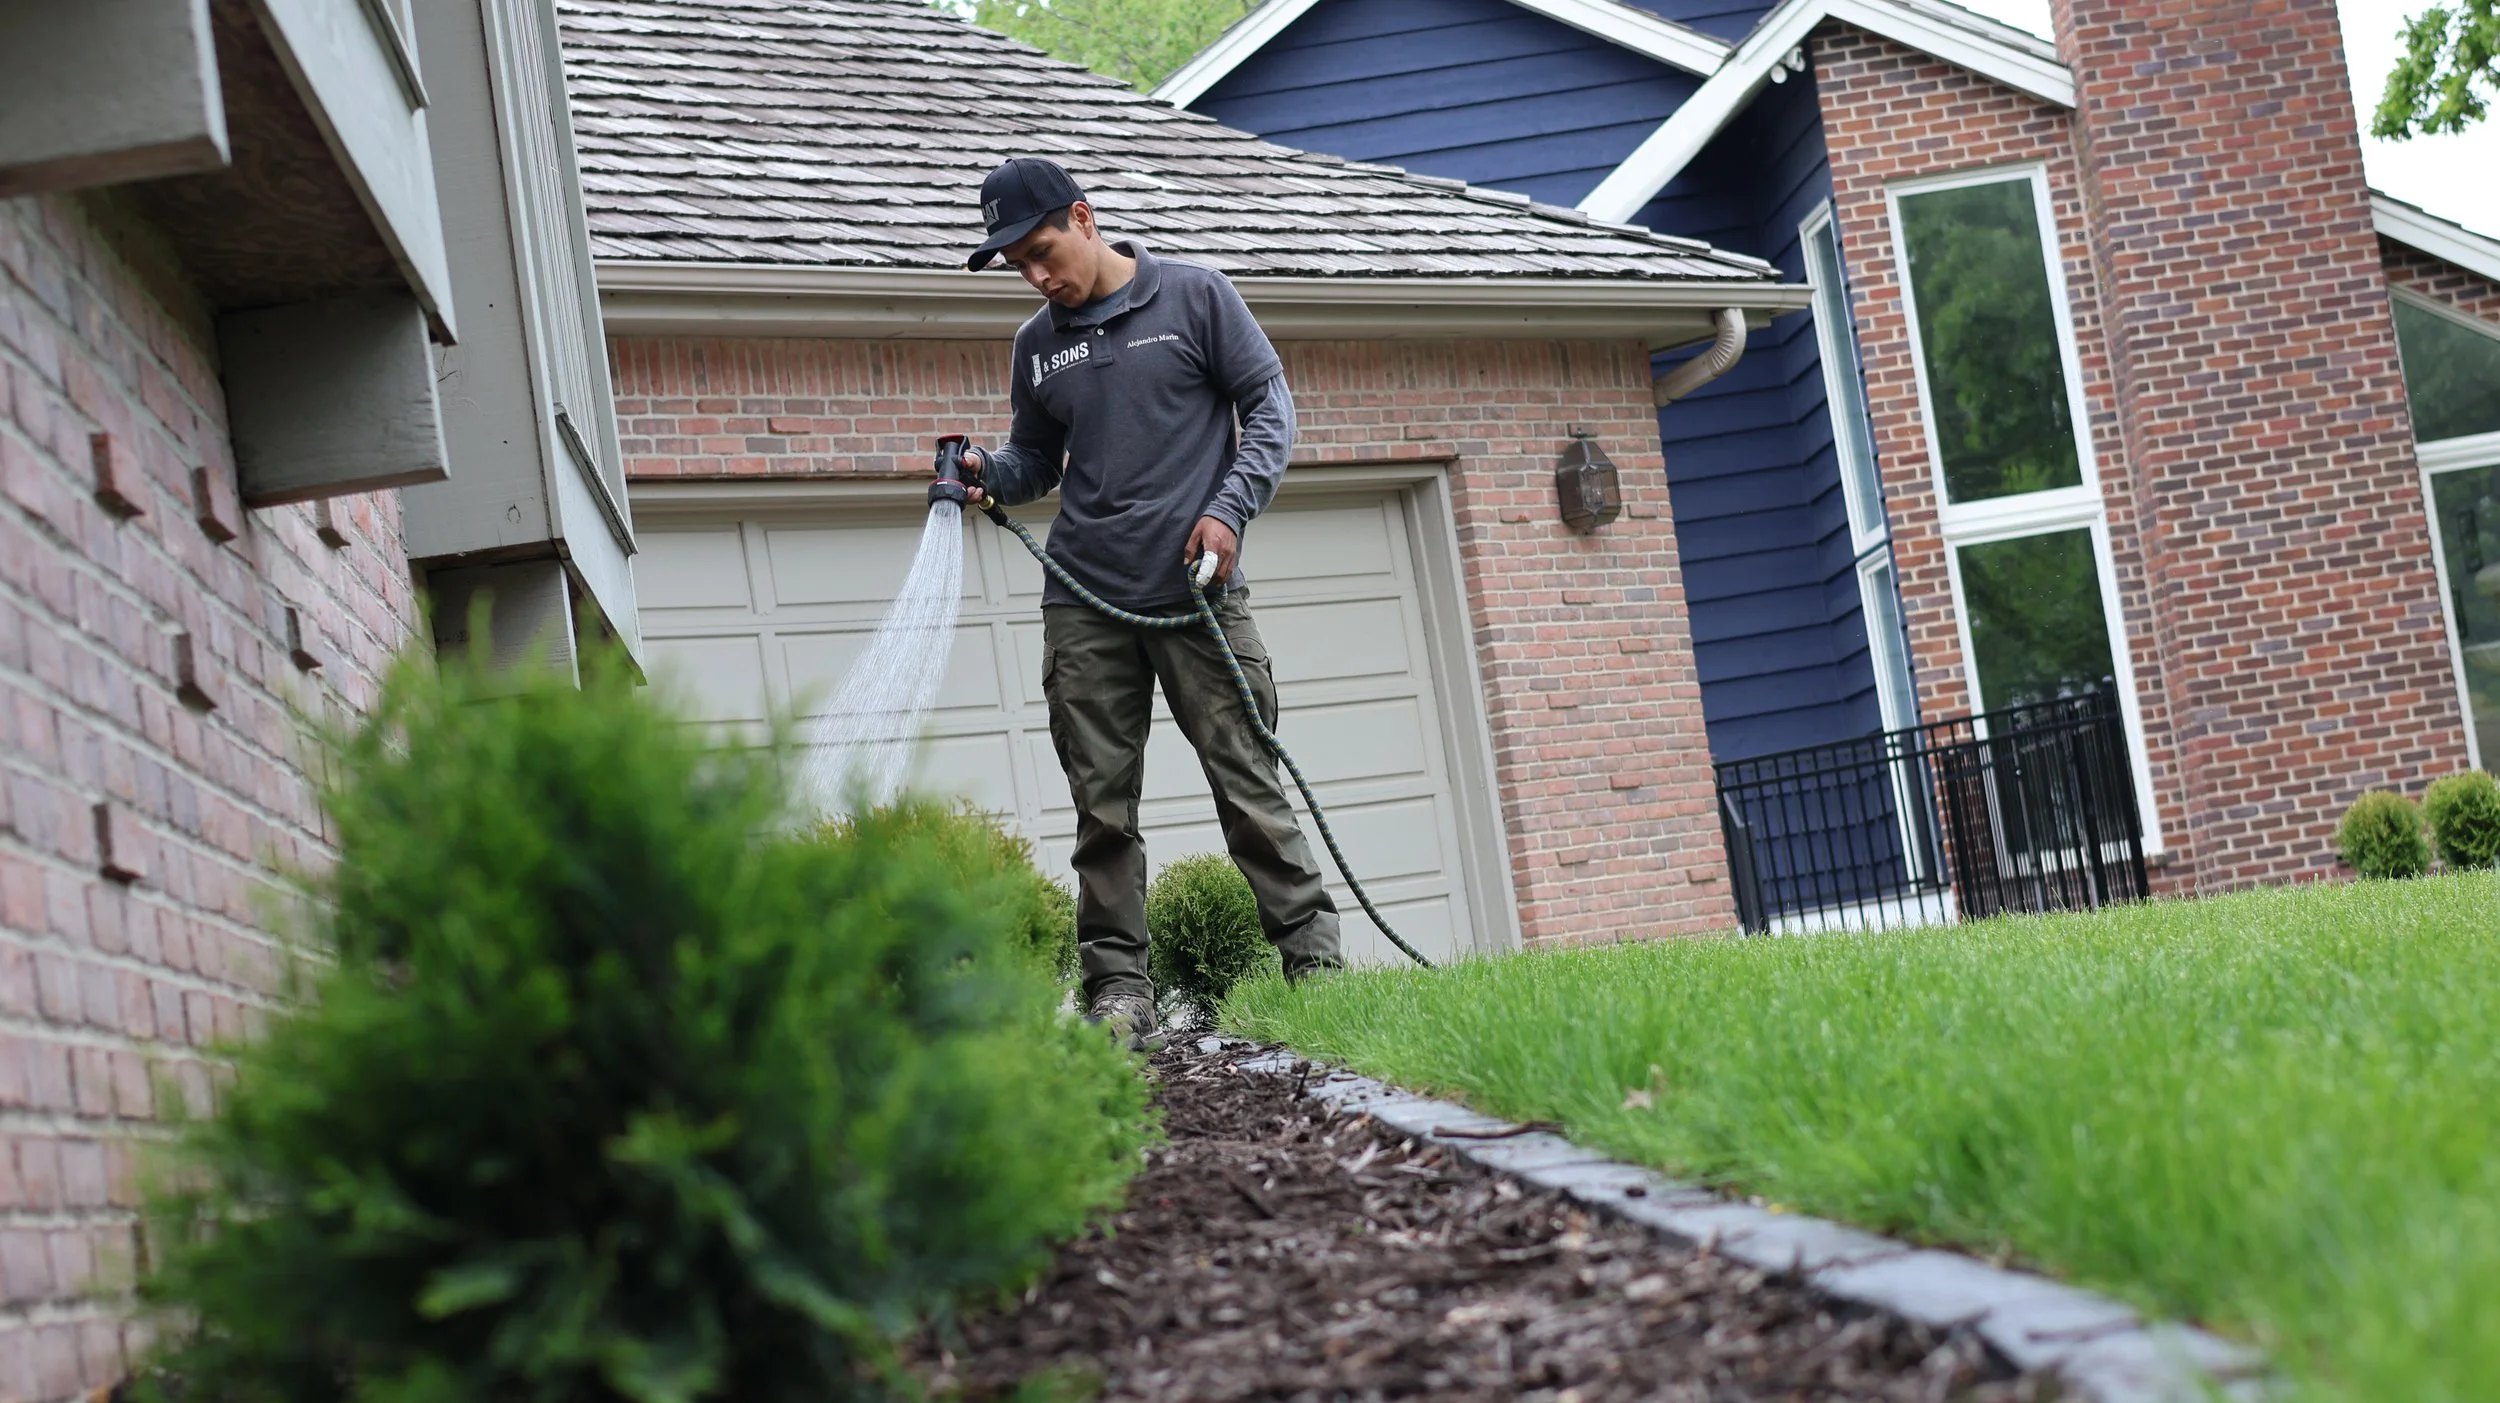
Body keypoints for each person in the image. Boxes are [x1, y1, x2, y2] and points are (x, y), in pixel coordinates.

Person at [946, 155, 1343, 1052]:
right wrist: (985, 473)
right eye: (1019, 267)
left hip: (1196, 591)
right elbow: (1036, 463)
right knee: (1103, 808)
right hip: (1085, 600)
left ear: (1084, 218)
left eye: (1044, 251)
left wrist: (1228, 509)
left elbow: (1270, 411)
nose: (1038, 276)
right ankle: (1120, 989)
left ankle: (1314, 967)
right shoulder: (1037, 344)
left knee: (1246, 783)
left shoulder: (1196, 297)